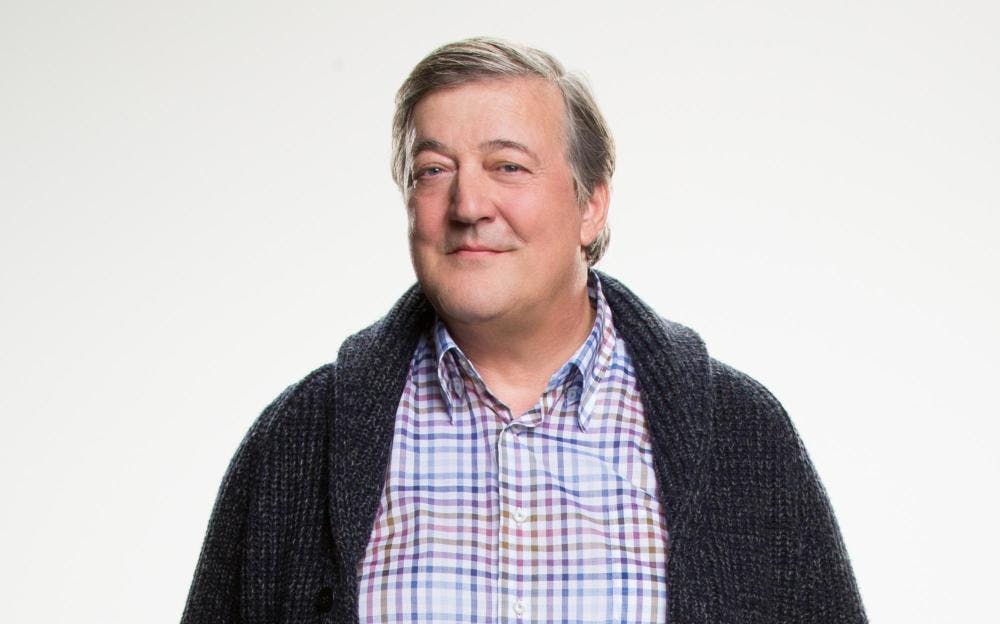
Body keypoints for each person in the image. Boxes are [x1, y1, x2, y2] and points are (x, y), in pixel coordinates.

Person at [181, 37, 867, 623]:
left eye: (507, 166)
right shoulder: (301, 441)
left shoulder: (740, 437)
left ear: (590, 203)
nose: (468, 204)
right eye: (433, 171)